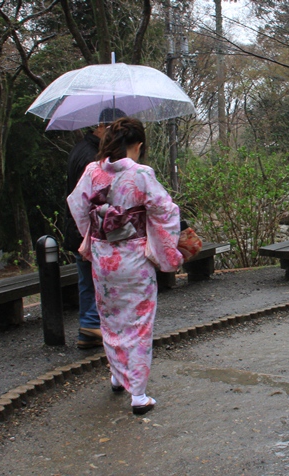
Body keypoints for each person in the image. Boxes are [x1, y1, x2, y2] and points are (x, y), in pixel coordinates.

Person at [68, 118, 184, 415]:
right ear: (138, 145)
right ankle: (139, 395)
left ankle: (119, 376)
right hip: (134, 259)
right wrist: (163, 246)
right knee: (139, 323)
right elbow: (166, 211)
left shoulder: (92, 172)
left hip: (104, 258)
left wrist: (94, 236)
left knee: (111, 319)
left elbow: (78, 205)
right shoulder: (141, 174)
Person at [64, 107, 127, 349]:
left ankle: (88, 331)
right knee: (94, 279)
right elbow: (89, 198)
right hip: (88, 229)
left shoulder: (83, 149)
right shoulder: (91, 158)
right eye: (113, 129)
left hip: (80, 228)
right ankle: (91, 324)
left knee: (87, 280)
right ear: (101, 127)